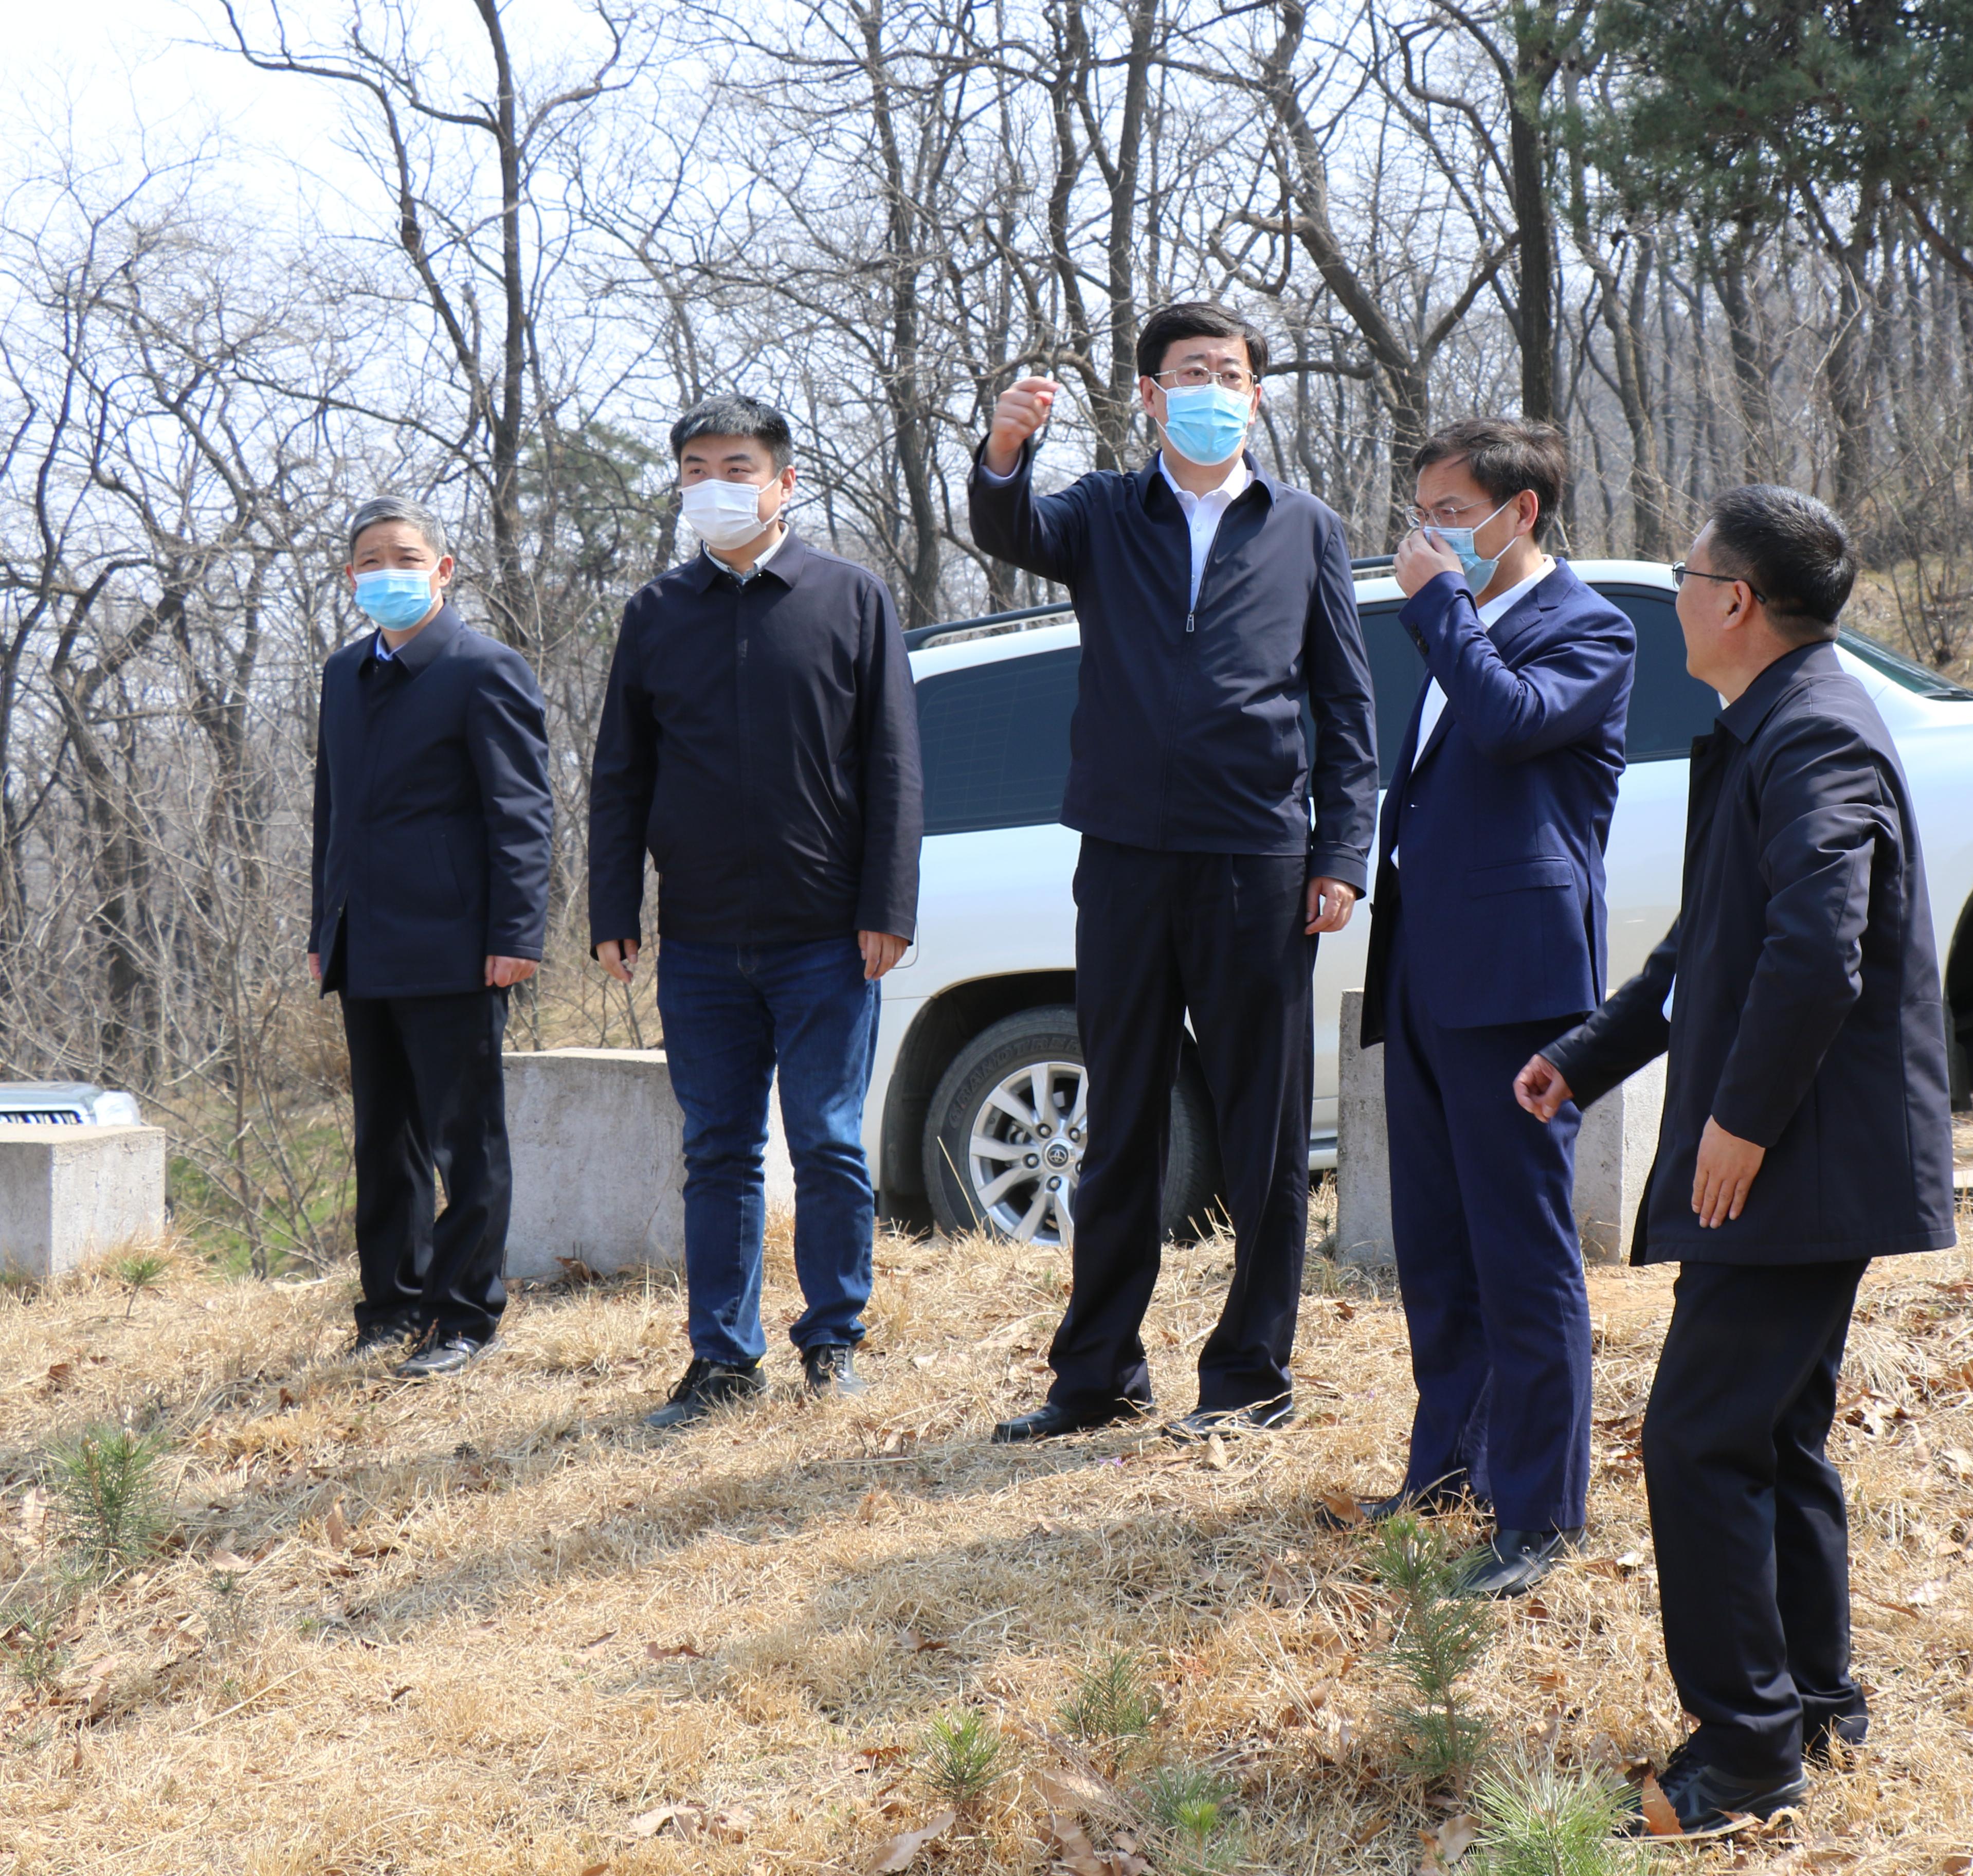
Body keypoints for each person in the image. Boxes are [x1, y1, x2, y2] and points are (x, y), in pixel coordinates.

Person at [1515, 486, 1955, 1836]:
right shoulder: (1775, 720)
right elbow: (1714, 937)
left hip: (1795, 1162)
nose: (1676, 594)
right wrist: (1589, 1055)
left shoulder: (1814, 732)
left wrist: (1741, 1125)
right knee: (1771, 1433)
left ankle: (1747, 1751)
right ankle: (1813, 1702)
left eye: (1687, 574)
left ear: (1737, 602)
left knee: (1700, 1440)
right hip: (1799, 1157)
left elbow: (1819, 950)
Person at [969, 303, 1378, 1445]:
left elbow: (1346, 705)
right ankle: (1098, 1374)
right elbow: (1010, 527)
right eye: (1192, 372)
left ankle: (1250, 1376)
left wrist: (1342, 851)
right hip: (1127, 859)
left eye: (1232, 373)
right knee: (1122, 1122)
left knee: (1263, 1128)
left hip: (1259, 859)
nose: (1216, 390)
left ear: (1257, 394)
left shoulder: (1304, 526)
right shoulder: (1106, 512)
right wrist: (1004, 450)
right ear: (1150, 395)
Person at [1341, 417, 1634, 1596]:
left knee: (1523, 1251)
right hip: (1426, 971)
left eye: (1454, 513)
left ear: (1522, 513)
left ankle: (1541, 1514)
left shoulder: (1588, 627)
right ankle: (1449, 1472)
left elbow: (1511, 723)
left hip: (1519, 984)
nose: (1430, 534)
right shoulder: (1459, 626)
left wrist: (1439, 607)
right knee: (1439, 1243)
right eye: (1422, 513)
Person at [590, 394, 921, 1429]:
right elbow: (620, 774)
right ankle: (724, 1361)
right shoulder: (657, 613)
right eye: (695, 469)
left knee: (826, 1142)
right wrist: (613, 905)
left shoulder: (850, 598)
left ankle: (833, 1342)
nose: (715, 486)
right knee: (720, 1151)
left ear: (785, 481)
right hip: (698, 937)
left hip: (826, 933)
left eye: (737, 467)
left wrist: (887, 904)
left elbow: (895, 765)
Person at [309, 496, 553, 1381]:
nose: (389, 573)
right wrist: (323, 924)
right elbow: (332, 810)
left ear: (443, 570)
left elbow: (522, 813)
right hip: (363, 939)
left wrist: (516, 932)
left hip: (457, 942)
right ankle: (391, 1307)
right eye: (371, 560)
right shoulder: (344, 673)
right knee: (385, 1138)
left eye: (407, 558)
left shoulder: (484, 669)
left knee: (466, 1141)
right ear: (351, 578)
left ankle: (465, 1316)